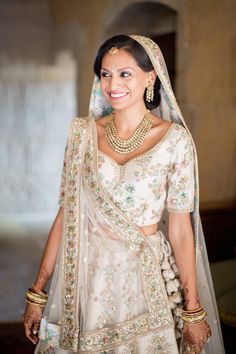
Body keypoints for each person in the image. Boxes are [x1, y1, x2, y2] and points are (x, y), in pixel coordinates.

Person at [23, 35, 225, 354]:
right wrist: (38, 292)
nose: (112, 83)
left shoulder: (175, 141)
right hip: (86, 279)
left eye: (124, 73)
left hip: (146, 280)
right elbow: (66, 214)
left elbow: (180, 230)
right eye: (105, 73)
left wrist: (193, 308)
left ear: (150, 76)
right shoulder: (82, 135)